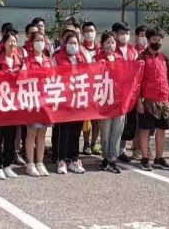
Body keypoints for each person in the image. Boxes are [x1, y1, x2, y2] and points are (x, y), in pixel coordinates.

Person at [136, 28, 169, 172]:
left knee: (162, 129)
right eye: (153, 40)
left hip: (164, 99)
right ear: (148, 40)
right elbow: (136, 81)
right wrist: (138, 101)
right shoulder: (141, 58)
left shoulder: (164, 58)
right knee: (145, 129)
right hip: (147, 100)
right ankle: (145, 157)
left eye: (159, 40)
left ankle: (159, 157)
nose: (156, 42)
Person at [52, 30, 87, 175]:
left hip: (78, 99)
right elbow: (52, 76)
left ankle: (75, 159)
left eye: (75, 43)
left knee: (76, 132)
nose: (73, 46)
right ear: (65, 44)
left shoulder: (81, 58)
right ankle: (61, 160)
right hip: (64, 100)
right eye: (70, 43)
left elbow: (88, 74)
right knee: (64, 131)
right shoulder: (57, 57)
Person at [0, 30, 23, 180]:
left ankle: (7, 164)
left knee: (12, 135)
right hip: (0, 103)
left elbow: (26, 80)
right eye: (9, 41)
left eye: (14, 41)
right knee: (0, 136)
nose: (12, 44)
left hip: (14, 104)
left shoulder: (20, 61)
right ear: (3, 43)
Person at [23, 31, 52, 177]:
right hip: (32, 101)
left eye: (42, 40)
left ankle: (40, 162)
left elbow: (54, 79)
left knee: (42, 133)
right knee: (32, 132)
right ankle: (30, 163)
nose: (40, 43)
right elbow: (22, 80)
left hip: (45, 102)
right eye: (37, 40)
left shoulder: (48, 61)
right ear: (32, 43)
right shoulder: (27, 61)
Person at [95, 32, 123, 174]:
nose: (110, 46)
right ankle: (105, 157)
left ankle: (113, 158)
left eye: (112, 43)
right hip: (104, 100)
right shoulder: (97, 59)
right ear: (102, 44)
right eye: (107, 43)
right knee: (105, 131)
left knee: (117, 130)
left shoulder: (120, 59)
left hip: (119, 100)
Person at [113, 22, 139, 163]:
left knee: (128, 125)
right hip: (116, 94)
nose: (125, 35)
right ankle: (112, 150)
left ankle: (121, 150)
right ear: (115, 34)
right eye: (122, 33)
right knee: (115, 124)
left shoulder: (133, 51)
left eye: (127, 33)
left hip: (130, 94)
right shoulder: (112, 50)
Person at [81, 21, 100, 155]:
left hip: (98, 86)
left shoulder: (100, 49)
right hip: (85, 86)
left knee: (97, 118)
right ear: (83, 33)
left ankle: (94, 143)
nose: (89, 33)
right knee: (86, 117)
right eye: (87, 31)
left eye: (91, 30)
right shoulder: (80, 49)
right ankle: (86, 143)